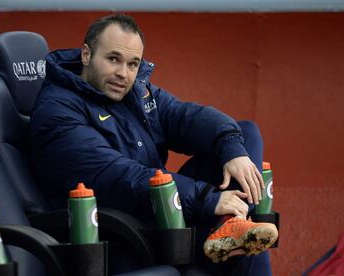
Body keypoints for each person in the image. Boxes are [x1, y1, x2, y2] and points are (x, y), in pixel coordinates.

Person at [30, 14, 278, 275]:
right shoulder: (57, 112)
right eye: (113, 59)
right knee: (239, 247)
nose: (122, 73)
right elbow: (117, 177)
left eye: (132, 64)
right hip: (117, 232)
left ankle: (229, 227)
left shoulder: (135, 91)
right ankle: (227, 231)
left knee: (245, 135)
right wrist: (208, 199)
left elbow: (184, 117)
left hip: (161, 211)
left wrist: (230, 148)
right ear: (86, 55)